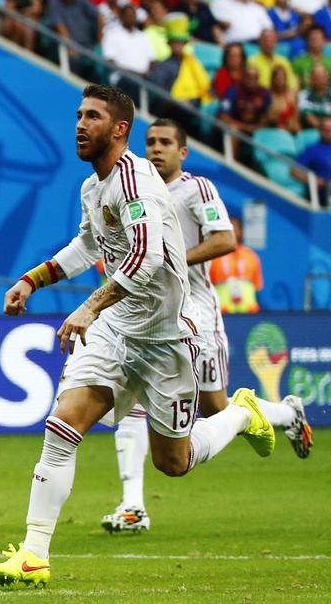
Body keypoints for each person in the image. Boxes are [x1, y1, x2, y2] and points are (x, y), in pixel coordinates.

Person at [0, 85, 281, 589]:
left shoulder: (137, 182)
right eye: (78, 115)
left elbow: (145, 261)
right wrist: (31, 279)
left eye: (93, 116)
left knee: (175, 462)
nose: (80, 124)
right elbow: (86, 246)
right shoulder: (92, 188)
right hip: (117, 332)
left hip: (166, 339)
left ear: (119, 130)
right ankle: (34, 555)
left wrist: (86, 306)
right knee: (62, 427)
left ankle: (241, 414)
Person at [101, 119, 312, 534]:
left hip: (195, 312)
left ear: (183, 152)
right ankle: (133, 506)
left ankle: (287, 413)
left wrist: (169, 258)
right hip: (148, 313)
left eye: (165, 143)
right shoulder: (135, 187)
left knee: (216, 408)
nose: (156, 149)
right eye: (150, 142)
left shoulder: (197, 189)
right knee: (129, 399)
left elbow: (224, 241)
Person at [210, 215, 264, 313]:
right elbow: (209, 286)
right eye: (228, 227)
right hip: (222, 312)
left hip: (248, 312)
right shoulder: (215, 256)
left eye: (235, 227)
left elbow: (257, 286)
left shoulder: (251, 256)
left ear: (242, 231)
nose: (232, 231)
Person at [293, 115, 331, 203]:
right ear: (319, 130)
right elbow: (294, 171)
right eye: (325, 128)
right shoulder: (312, 150)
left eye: (330, 128)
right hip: (325, 193)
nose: (328, 131)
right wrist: (313, 181)